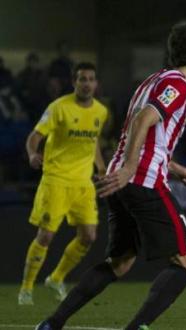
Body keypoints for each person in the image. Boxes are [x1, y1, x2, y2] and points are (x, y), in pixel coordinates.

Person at [35, 23, 186, 330]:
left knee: (120, 262)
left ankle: (52, 323)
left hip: (123, 180)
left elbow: (142, 134)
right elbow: (144, 120)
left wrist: (176, 168)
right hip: (141, 181)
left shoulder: (151, 81)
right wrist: (131, 169)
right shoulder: (178, 84)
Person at [18, 62, 108, 306]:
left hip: (83, 182)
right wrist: (33, 154)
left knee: (89, 236)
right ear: (74, 82)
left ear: (96, 84)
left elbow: (94, 143)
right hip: (56, 179)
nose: (87, 83)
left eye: (91, 79)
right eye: (82, 79)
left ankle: (56, 278)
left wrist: (100, 167)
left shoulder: (100, 112)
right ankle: (26, 289)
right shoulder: (58, 108)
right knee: (46, 235)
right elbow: (34, 136)